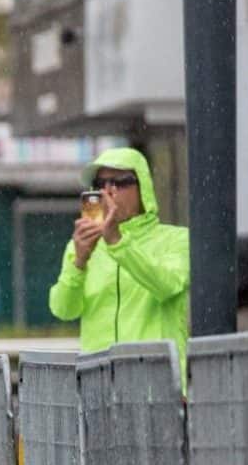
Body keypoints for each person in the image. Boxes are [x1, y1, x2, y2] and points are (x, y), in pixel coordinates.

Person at [48, 147, 190, 371]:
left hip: (156, 385)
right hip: (98, 387)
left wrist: (117, 241)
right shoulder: (82, 245)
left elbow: (166, 285)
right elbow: (64, 310)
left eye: (118, 182)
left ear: (142, 187)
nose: (107, 191)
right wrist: (79, 264)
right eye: (99, 184)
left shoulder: (177, 239)